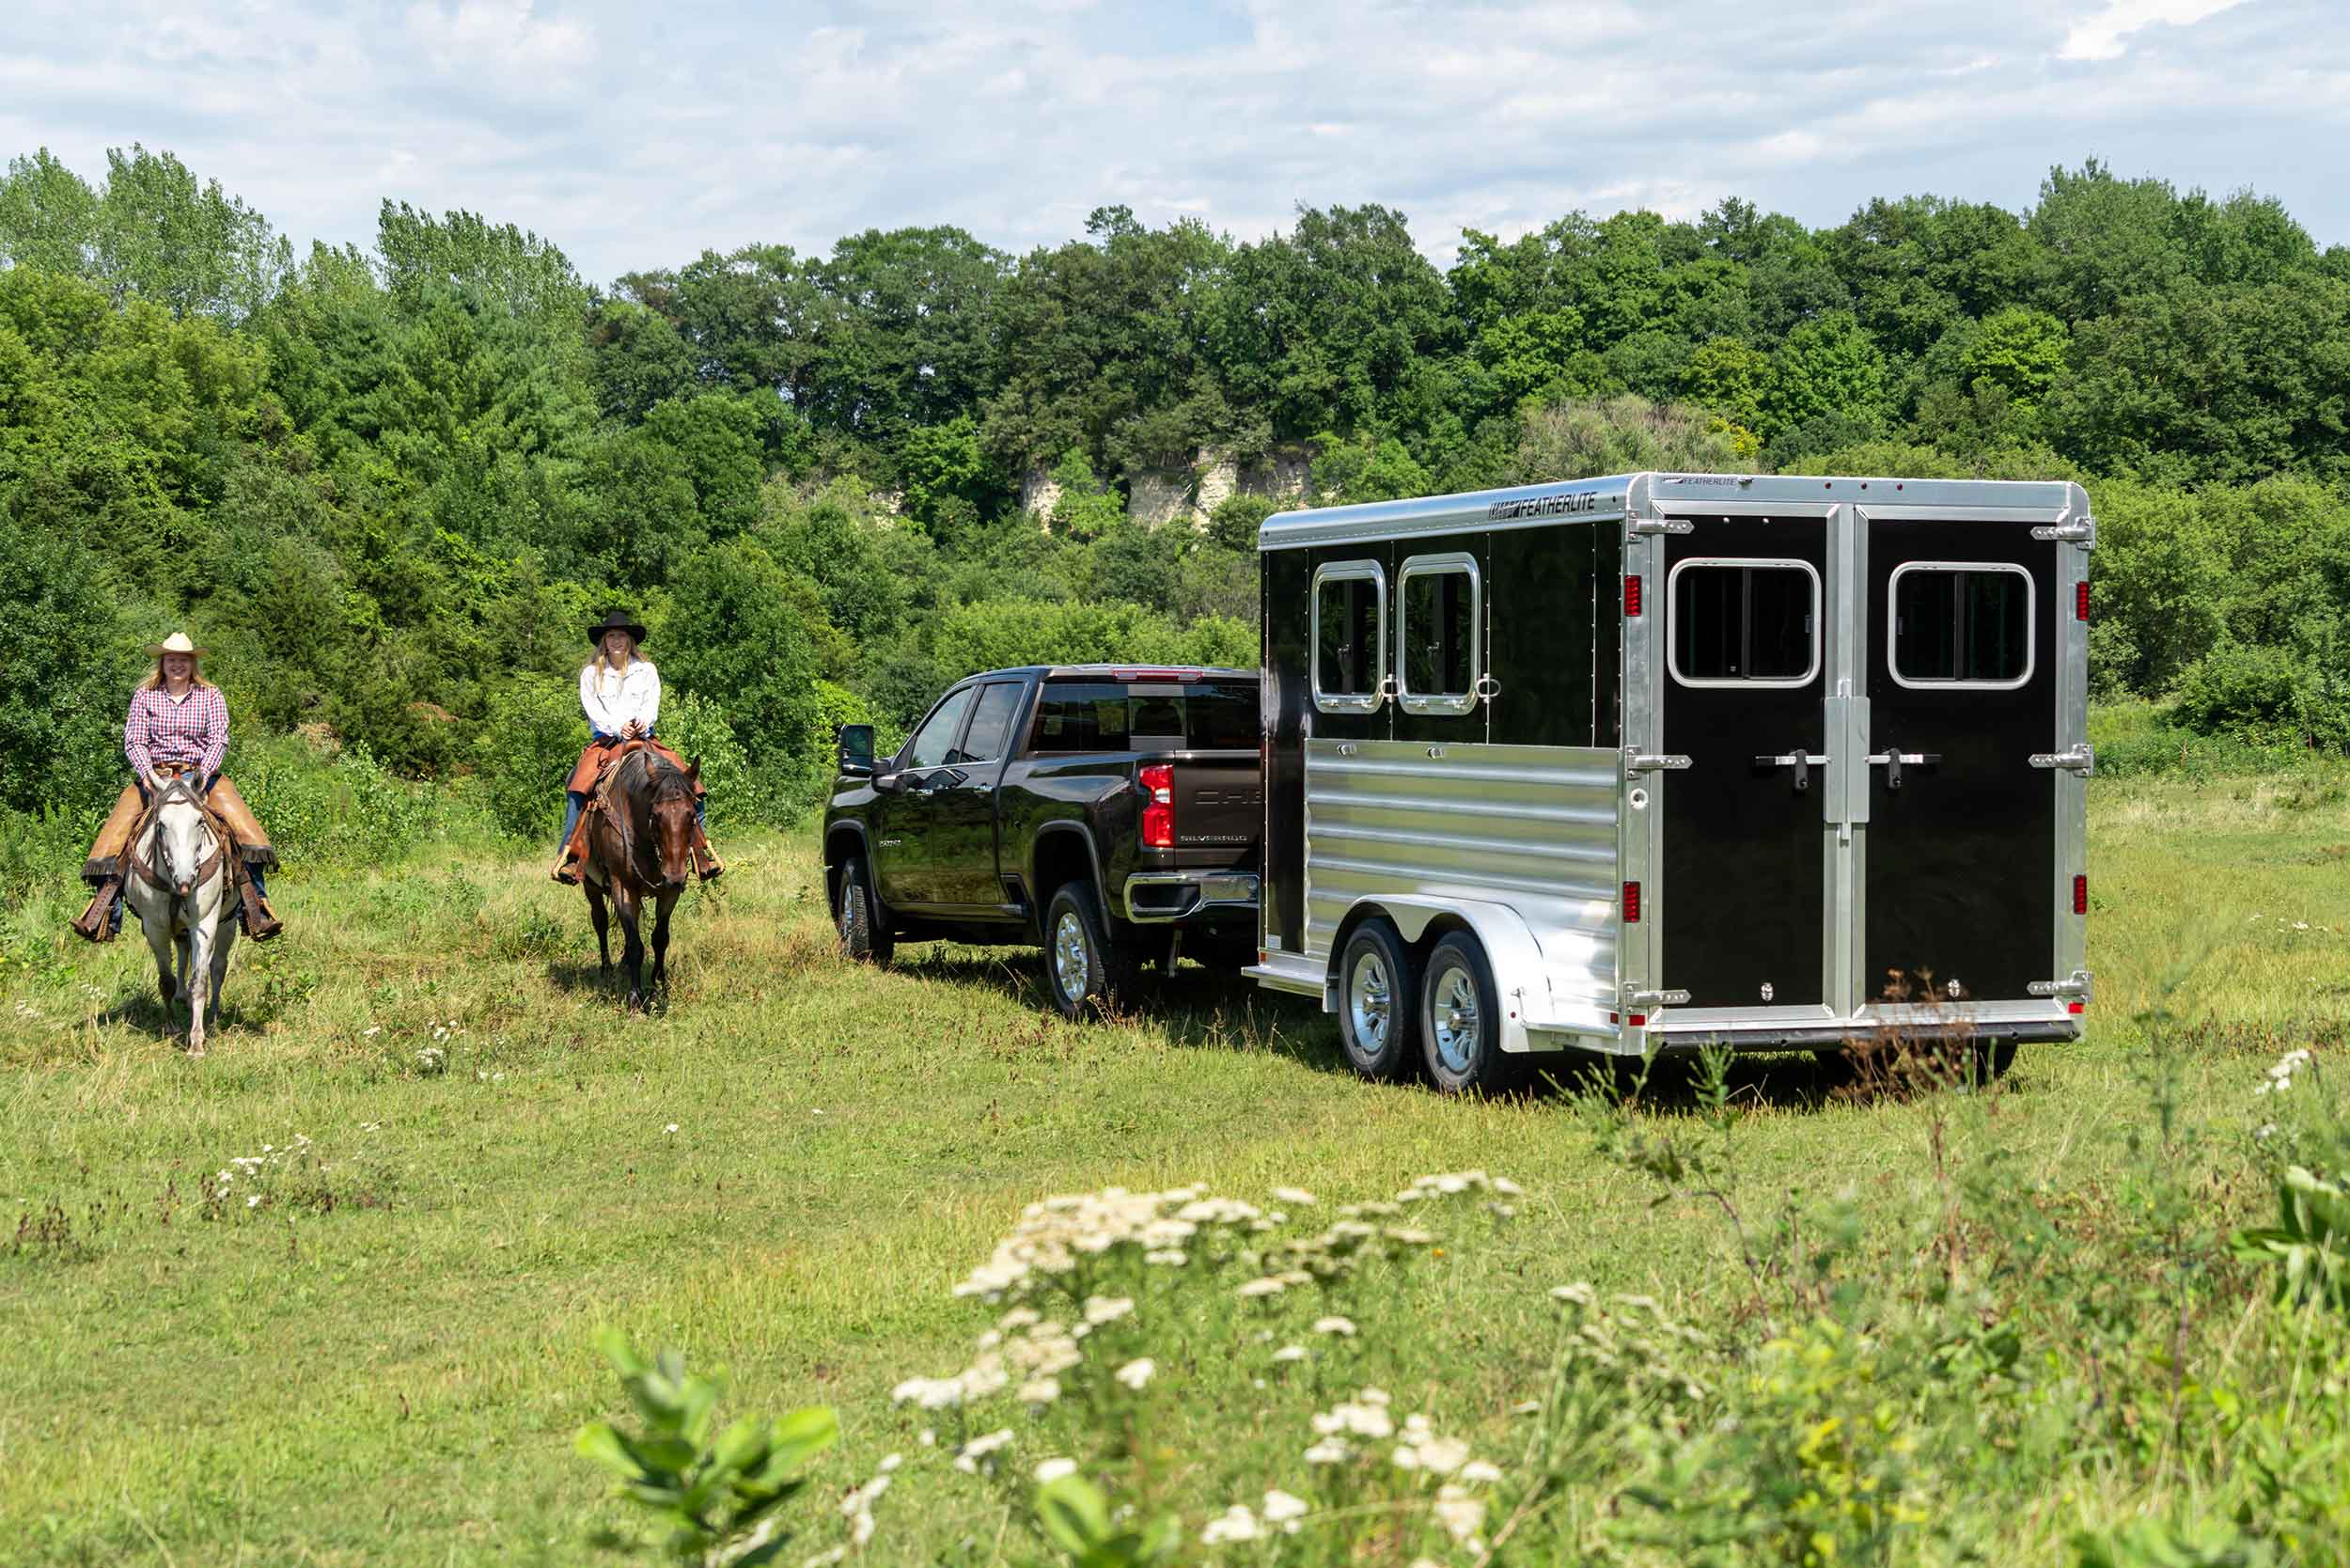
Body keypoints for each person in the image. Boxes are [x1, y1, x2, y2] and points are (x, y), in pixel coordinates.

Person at [71, 633, 283, 943]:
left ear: (192, 663)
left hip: (201, 774)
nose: (177, 664)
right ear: (163, 662)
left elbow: (218, 739)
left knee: (247, 832)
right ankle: (105, 911)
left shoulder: (210, 695)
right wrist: (146, 774)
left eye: (183, 659)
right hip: (154, 774)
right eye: (172, 659)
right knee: (114, 833)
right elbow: (134, 739)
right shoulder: (145, 695)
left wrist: (203, 774)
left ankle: (256, 909)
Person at [550, 610, 724, 885]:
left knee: (693, 785)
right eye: (611, 636)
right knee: (578, 783)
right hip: (607, 741)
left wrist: (642, 723)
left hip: (644, 738)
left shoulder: (647, 670)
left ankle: (701, 853)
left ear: (630, 641)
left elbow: (652, 704)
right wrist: (619, 727)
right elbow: (593, 710)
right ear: (604, 642)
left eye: (622, 635)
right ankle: (570, 855)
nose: (616, 640)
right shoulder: (590, 674)